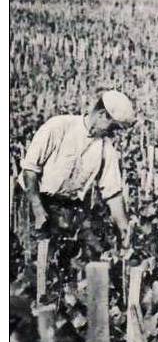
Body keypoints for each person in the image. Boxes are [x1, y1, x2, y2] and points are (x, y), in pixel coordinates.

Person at [21, 90, 136, 284]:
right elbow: (30, 170)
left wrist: (124, 230)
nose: (113, 133)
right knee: (38, 265)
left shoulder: (105, 149)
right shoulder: (59, 127)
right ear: (101, 115)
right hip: (37, 201)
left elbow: (113, 194)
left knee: (90, 258)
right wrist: (38, 209)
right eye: (113, 127)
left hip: (71, 208)